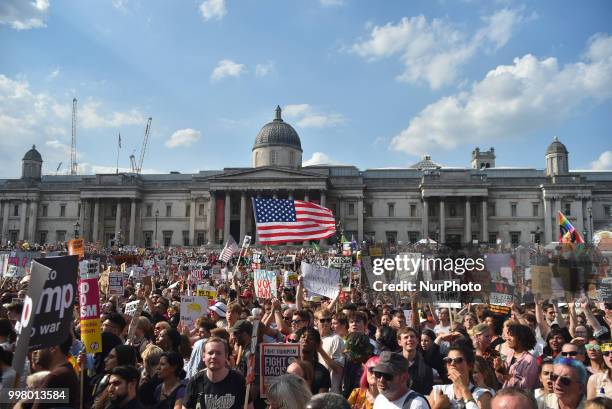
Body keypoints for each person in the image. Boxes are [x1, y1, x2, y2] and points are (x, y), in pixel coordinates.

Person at [182, 337, 246, 409]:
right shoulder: (195, 381)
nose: (214, 356)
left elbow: (248, 406)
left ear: (226, 356)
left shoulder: (238, 380)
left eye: (218, 353)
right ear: (203, 356)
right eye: (210, 353)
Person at [428, 343, 493, 409]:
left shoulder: (482, 394)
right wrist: (438, 407)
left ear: (470, 366)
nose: (452, 364)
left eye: (458, 360)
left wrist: (464, 388)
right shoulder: (438, 390)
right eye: (448, 360)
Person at [31, 335, 80, 409]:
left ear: (53, 347)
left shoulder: (55, 377)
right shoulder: (66, 371)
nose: (37, 351)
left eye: (41, 345)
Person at [498, 324, 538, 389]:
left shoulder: (530, 360)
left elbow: (526, 386)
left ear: (521, 338)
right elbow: (503, 380)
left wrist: (509, 378)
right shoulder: (510, 353)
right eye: (508, 335)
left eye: (511, 336)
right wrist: (498, 368)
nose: (508, 338)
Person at [398, 327, 434, 395]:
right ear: (399, 342)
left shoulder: (426, 368)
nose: (410, 339)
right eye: (406, 337)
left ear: (417, 340)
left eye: (412, 336)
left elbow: (427, 393)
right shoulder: (392, 363)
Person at [297, 326, 331, 394]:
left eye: (310, 338)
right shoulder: (289, 367)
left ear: (317, 344)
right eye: (303, 337)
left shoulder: (323, 372)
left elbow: (321, 401)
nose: (306, 339)